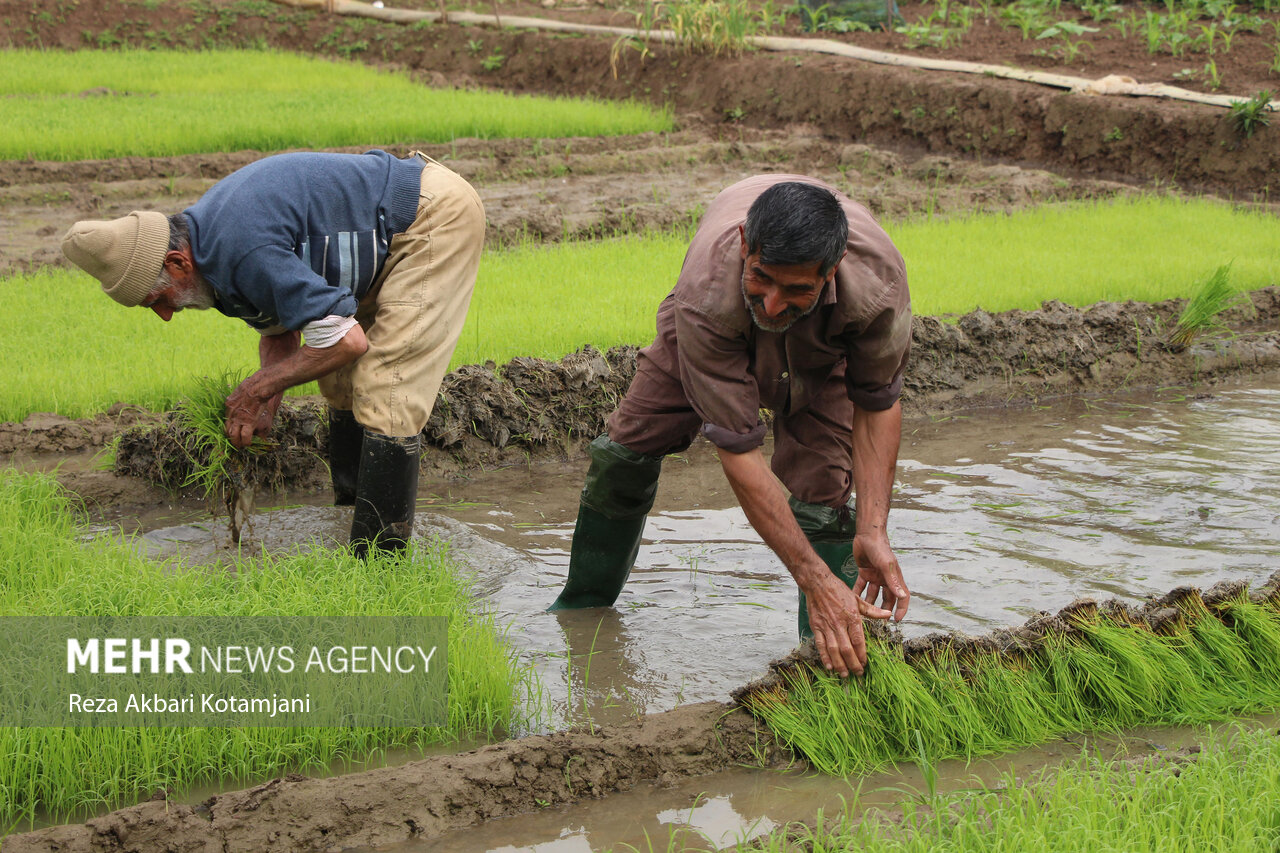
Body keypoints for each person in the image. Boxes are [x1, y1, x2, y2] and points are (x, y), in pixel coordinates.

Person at [547, 175, 912, 678]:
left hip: (826, 345)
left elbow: (876, 402)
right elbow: (740, 452)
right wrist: (813, 578)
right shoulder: (707, 294)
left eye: (797, 289)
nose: (775, 304)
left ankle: (828, 661)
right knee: (625, 451)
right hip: (713, 320)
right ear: (745, 246)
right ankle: (581, 613)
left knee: (825, 487)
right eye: (762, 277)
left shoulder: (877, 286)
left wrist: (874, 529)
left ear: (829, 273)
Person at [61, 150, 485, 558]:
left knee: (386, 388)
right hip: (383, 238)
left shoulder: (240, 248)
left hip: (430, 217)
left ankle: (380, 569)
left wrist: (255, 389)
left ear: (176, 263)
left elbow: (347, 341)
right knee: (339, 383)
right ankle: (350, 525)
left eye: (158, 299)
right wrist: (267, 404)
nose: (166, 315)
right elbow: (281, 331)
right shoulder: (209, 251)